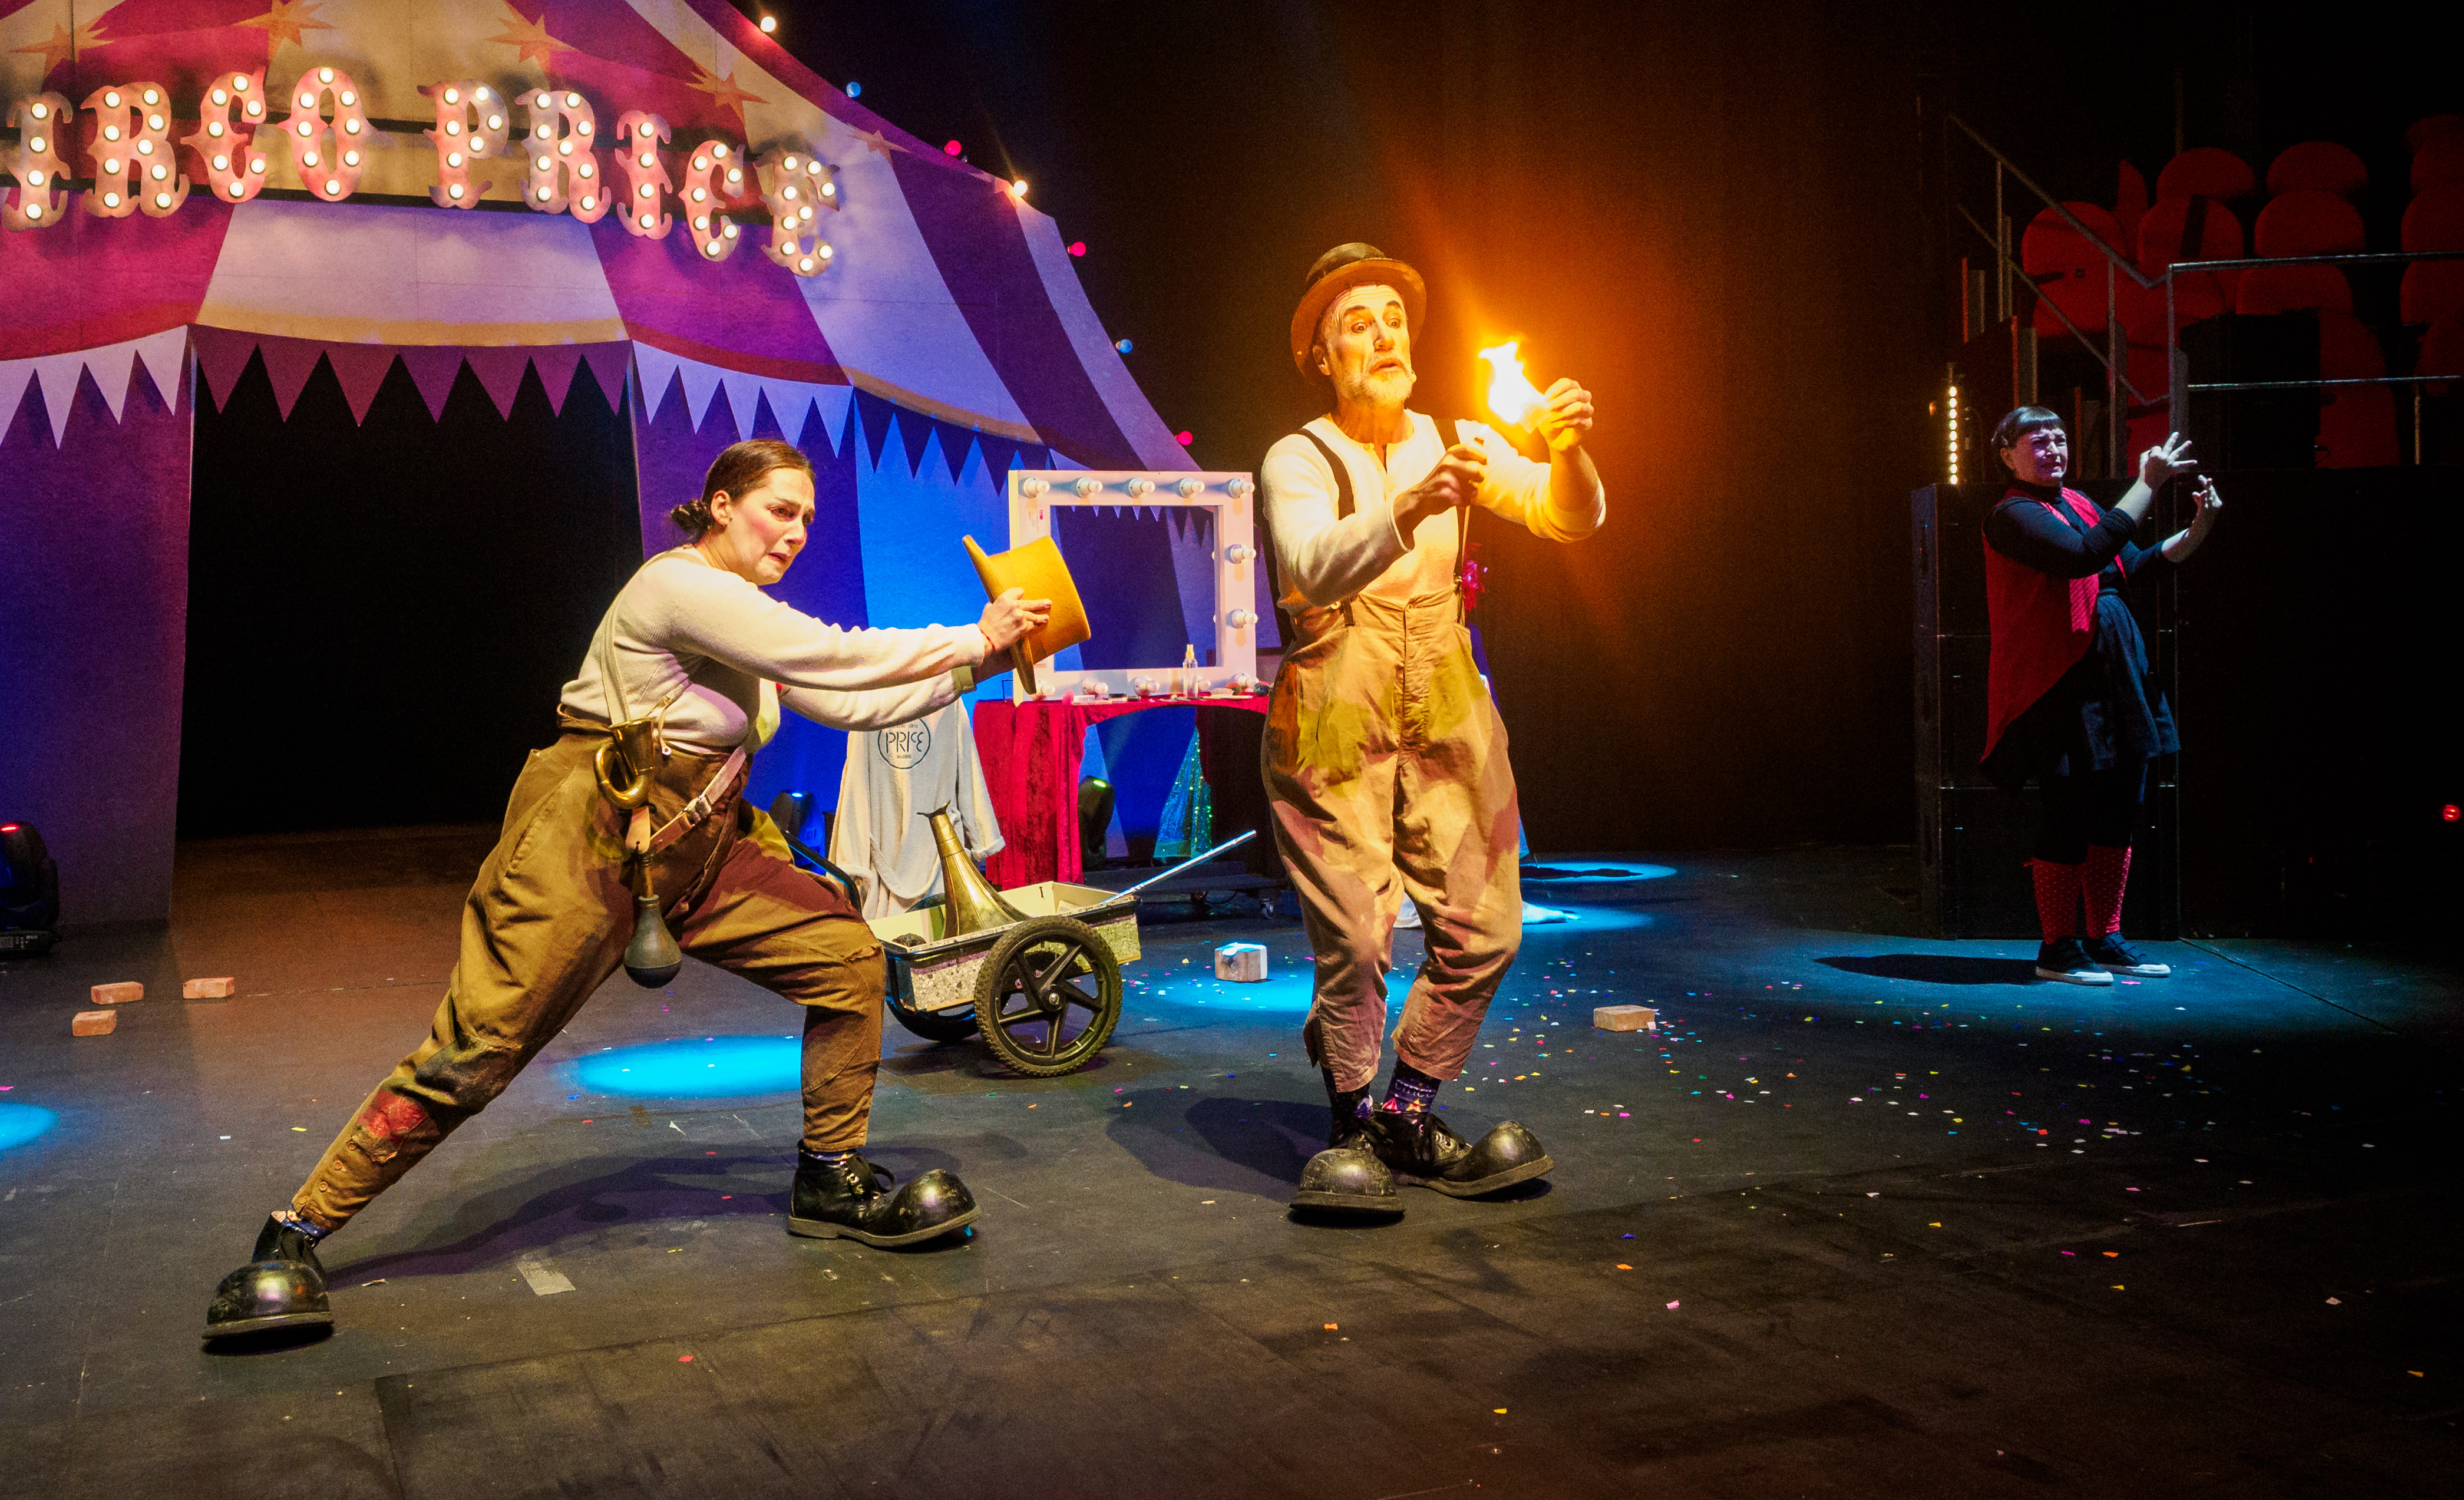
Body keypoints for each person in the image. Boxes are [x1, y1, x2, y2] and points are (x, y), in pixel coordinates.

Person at [204, 438, 1051, 1340]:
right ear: (720, 506)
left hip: (700, 844)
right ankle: (296, 1230)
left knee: (844, 957)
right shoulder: (679, 588)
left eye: (807, 517)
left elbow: (850, 703)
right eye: (779, 510)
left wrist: (981, 665)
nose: (797, 531)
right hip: (593, 838)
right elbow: (833, 655)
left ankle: (829, 1179)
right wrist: (977, 633)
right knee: (481, 1047)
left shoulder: (739, 616)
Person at [1260, 243, 1605, 1215]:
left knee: (1485, 922)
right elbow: (1310, 563)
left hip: (1446, 684)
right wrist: (1413, 501)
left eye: (1393, 319)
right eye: (1356, 323)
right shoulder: (1299, 455)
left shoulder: (1456, 437)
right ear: (1323, 355)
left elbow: (1570, 518)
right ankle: (1348, 1124)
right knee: (1355, 930)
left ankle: (1406, 1111)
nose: (1382, 335)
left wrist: (1565, 450)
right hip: (1338, 693)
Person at [1980, 407, 2221, 986]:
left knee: (2119, 804)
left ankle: (2104, 937)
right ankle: (2056, 947)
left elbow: (2133, 564)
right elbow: (2082, 556)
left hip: (2115, 665)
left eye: (2059, 439)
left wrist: (2199, 528)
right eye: (2037, 441)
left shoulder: (2081, 502)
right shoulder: (2012, 514)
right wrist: (2147, 484)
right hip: (2060, 676)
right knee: (2068, 807)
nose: (2053, 449)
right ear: (2008, 455)